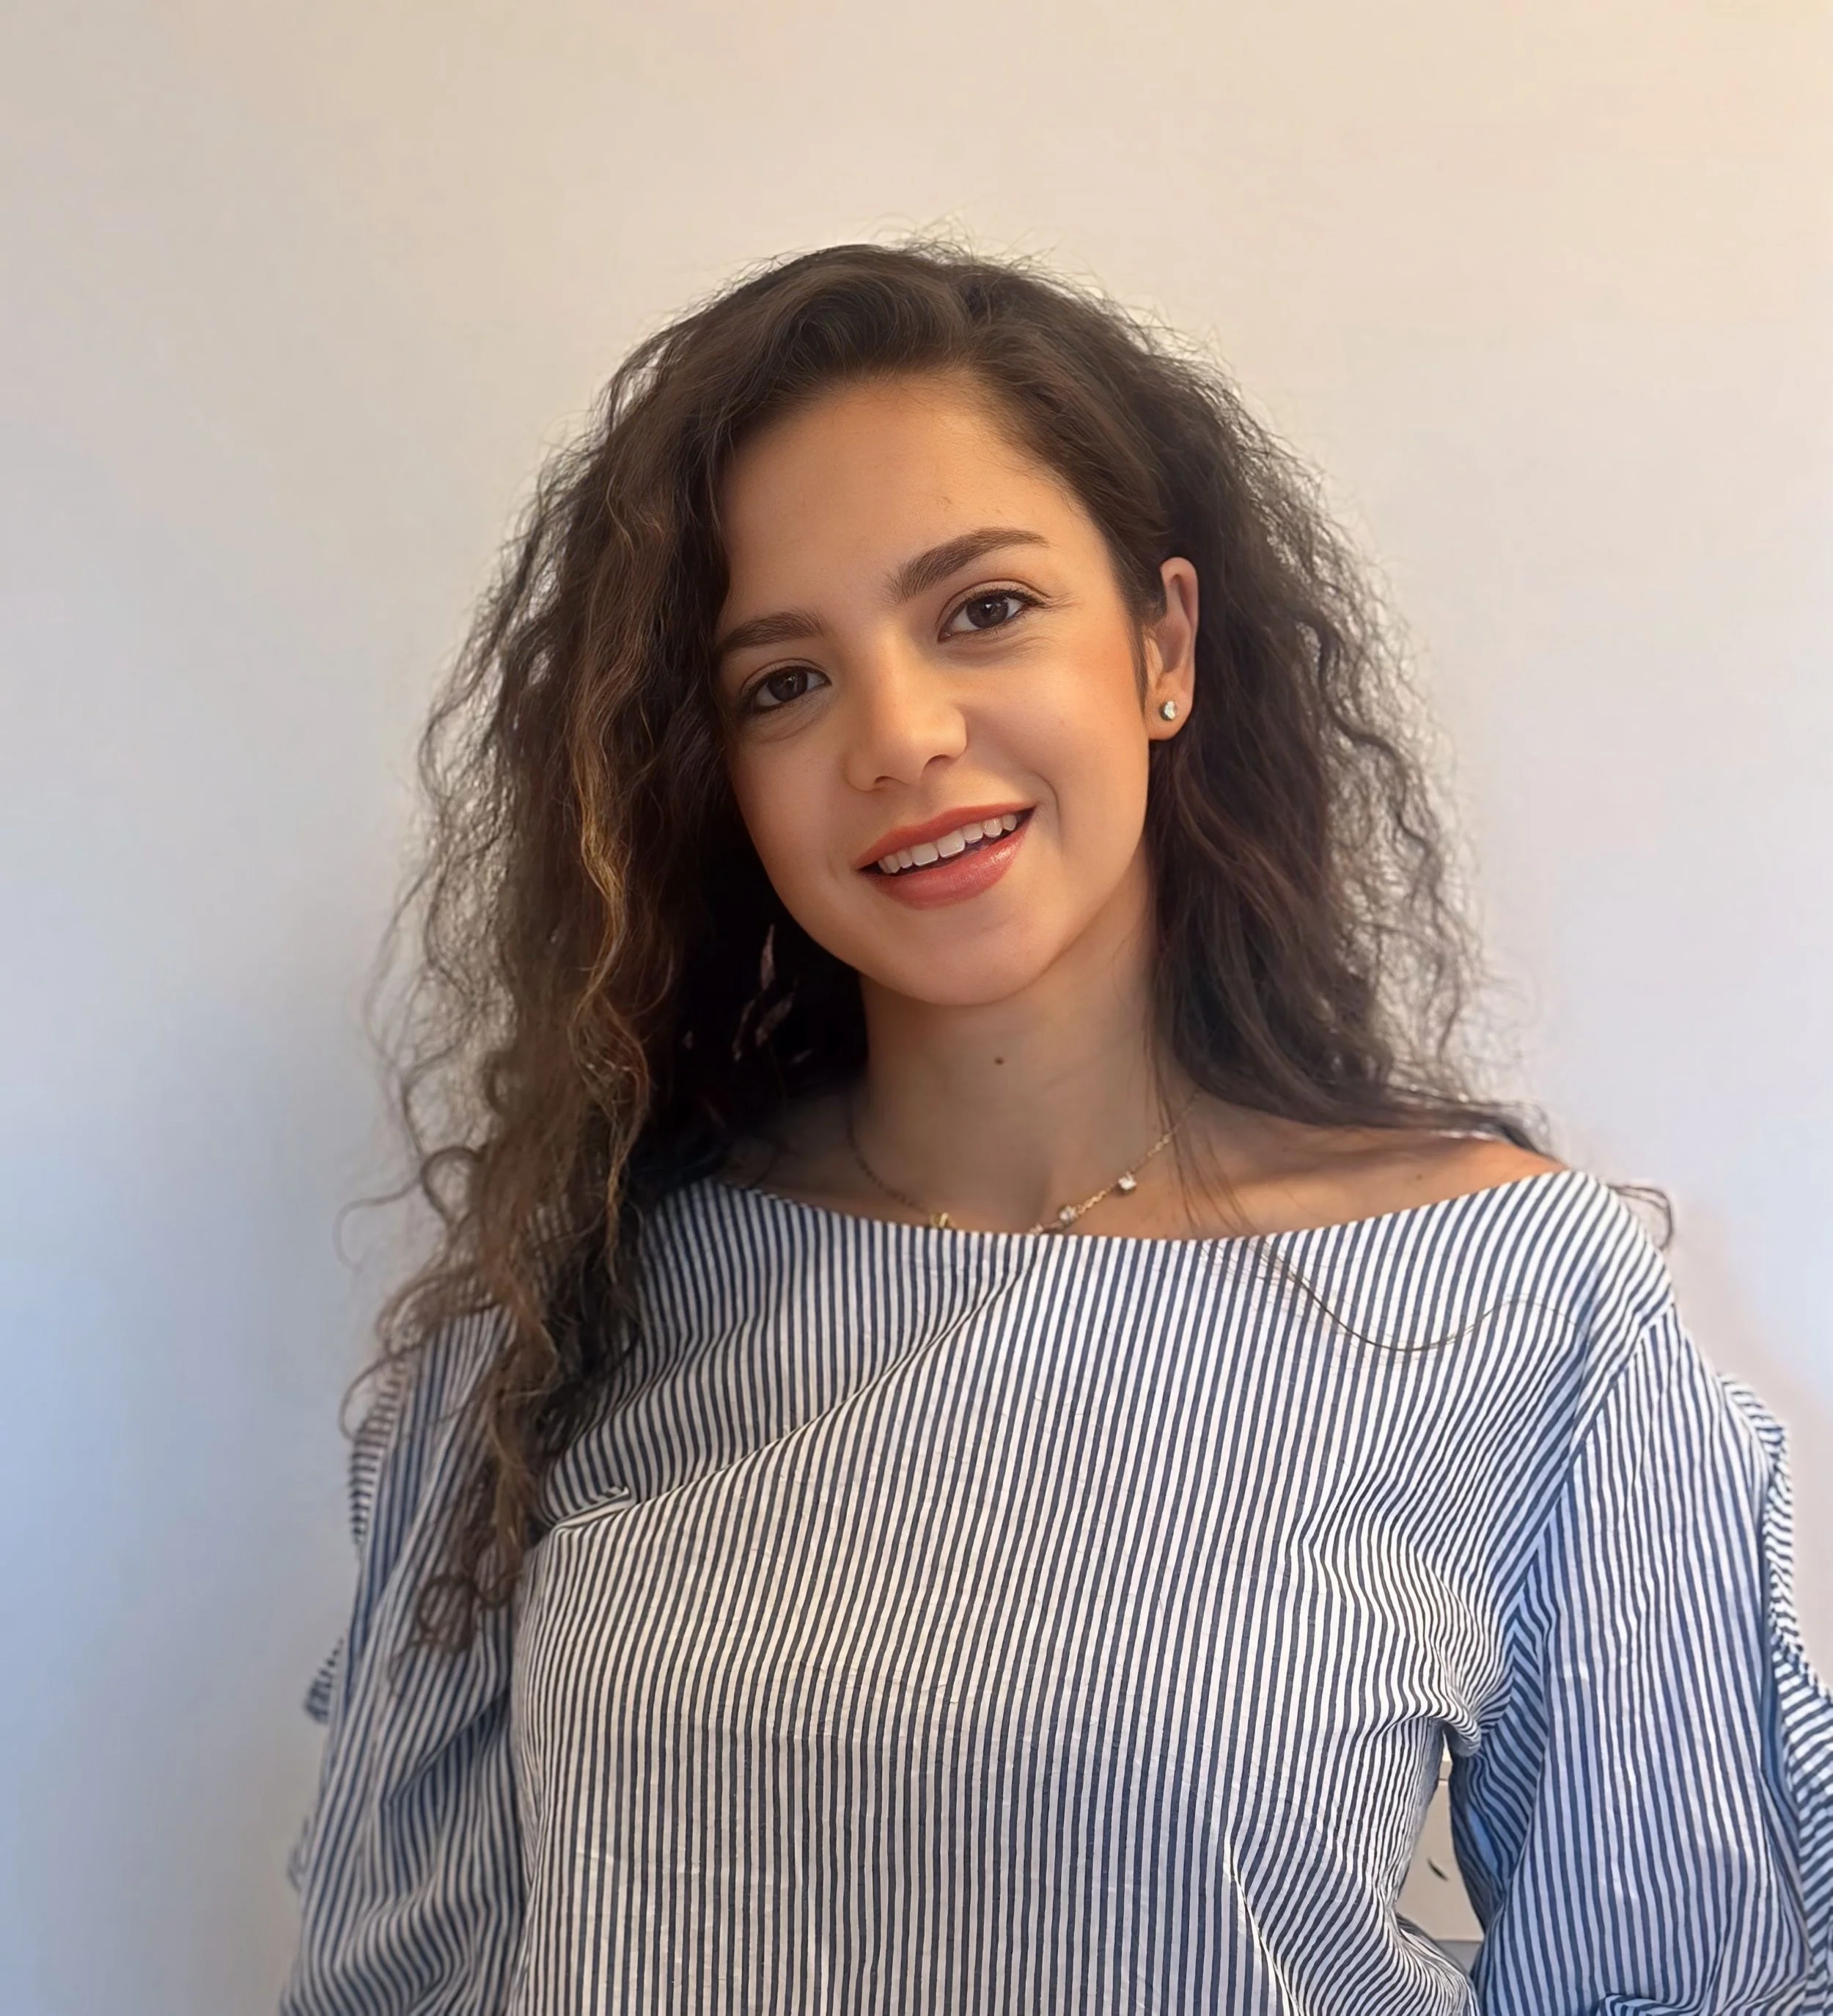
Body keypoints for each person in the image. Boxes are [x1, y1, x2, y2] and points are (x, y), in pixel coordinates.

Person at [282, 242, 1832, 2015]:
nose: (899, 736)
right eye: (781, 683)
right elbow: (390, 1980)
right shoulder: (582, 1300)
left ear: (1162, 646)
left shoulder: (1511, 1302)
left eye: (982, 609)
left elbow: (1691, 1976)